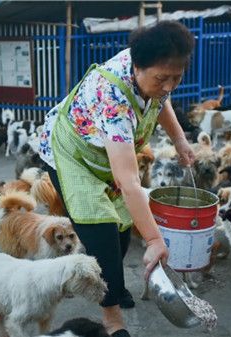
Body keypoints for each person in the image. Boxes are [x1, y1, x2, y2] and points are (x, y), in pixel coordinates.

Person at [39, 21, 196, 337]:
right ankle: (111, 319)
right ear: (137, 68)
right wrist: (153, 239)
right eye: (162, 78)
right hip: (73, 157)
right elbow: (129, 183)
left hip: (106, 154)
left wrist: (179, 139)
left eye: (176, 78)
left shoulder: (151, 70)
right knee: (102, 237)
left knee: (123, 229)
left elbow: (159, 103)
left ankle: (114, 283)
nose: (168, 86)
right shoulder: (111, 95)